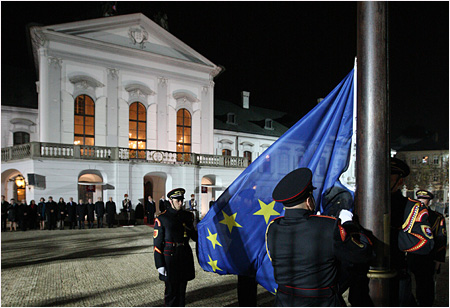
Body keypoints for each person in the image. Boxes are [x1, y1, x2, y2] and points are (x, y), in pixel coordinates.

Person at [266, 168, 374, 306]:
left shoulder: (273, 227)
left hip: (284, 301)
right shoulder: (328, 226)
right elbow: (362, 253)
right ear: (309, 201)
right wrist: (348, 225)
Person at [389, 157, 435, 306]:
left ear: (400, 182)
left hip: (396, 278)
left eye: (389, 175)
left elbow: (424, 243)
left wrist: (386, 235)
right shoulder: (358, 203)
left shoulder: (412, 208)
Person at [153, 188, 198, 307]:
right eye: (177, 200)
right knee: (171, 293)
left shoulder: (187, 216)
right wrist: (160, 264)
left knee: (182, 292)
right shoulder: (162, 218)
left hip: (184, 256)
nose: (180, 203)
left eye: (182, 200)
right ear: (170, 200)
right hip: (170, 258)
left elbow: (195, 236)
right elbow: (157, 244)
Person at [407, 189, 447, 306]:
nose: (422, 203)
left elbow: (441, 239)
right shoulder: (411, 216)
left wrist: (438, 260)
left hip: (428, 256)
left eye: (425, 200)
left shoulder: (437, 217)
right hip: (412, 254)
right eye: (420, 200)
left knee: (426, 286)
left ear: (430, 202)